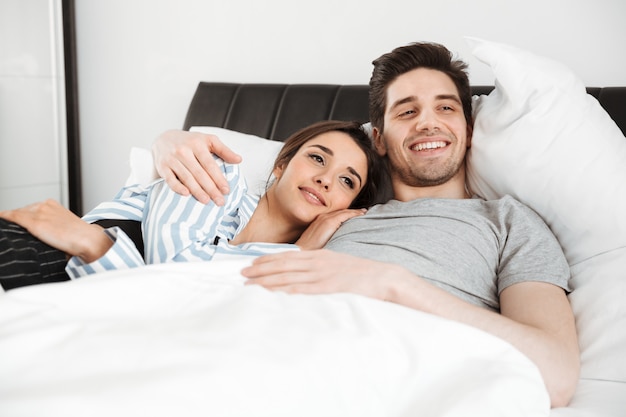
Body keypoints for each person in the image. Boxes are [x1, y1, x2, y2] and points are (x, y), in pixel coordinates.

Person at [149, 42, 580, 407]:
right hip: (250, 355)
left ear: (467, 128)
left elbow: (557, 374)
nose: (427, 122)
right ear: (379, 138)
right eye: (406, 112)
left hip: (369, 380)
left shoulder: (509, 222)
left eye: (445, 108)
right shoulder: (329, 212)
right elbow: (220, 266)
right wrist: (168, 141)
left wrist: (395, 285)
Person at [0, 120, 390, 290]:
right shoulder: (215, 172)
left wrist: (98, 247)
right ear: (282, 165)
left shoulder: (294, 271)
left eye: (346, 181)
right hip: (41, 253)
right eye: (318, 158)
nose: (326, 178)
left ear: (346, 206)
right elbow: (173, 267)